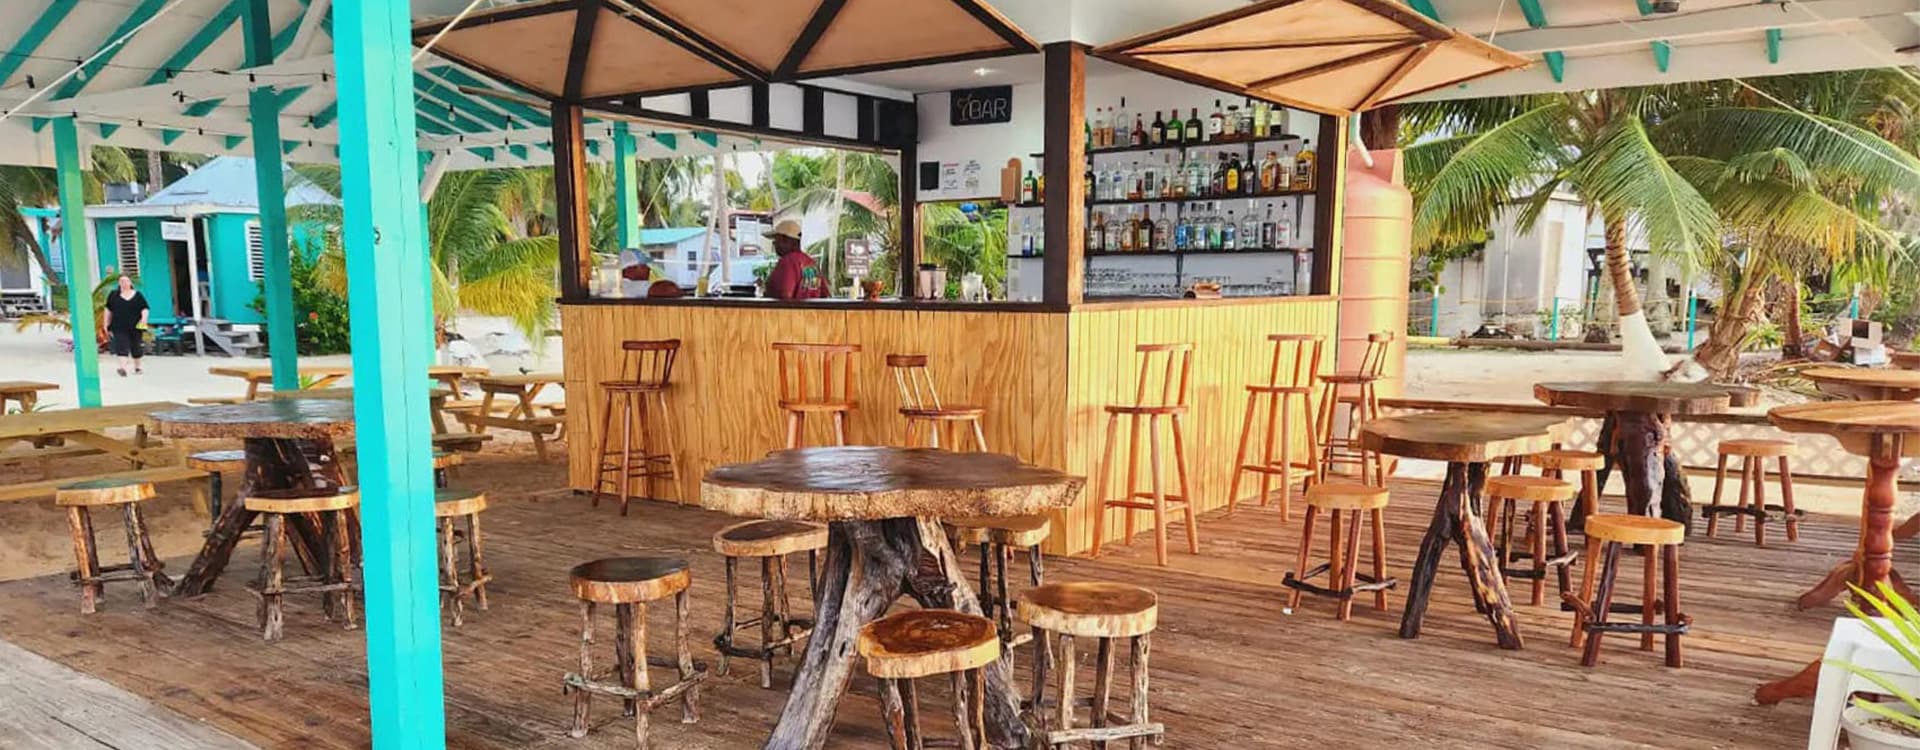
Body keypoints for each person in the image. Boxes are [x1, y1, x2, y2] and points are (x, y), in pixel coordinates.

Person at [764, 219, 826, 300]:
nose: (775, 245)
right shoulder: (811, 263)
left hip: (789, 312)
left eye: (776, 241)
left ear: (784, 239)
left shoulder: (788, 261)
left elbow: (785, 295)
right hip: (810, 312)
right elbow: (824, 294)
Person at [102, 274, 149, 376]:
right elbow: (108, 310)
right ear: (119, 283)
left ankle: (137, 367)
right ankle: (122, 368)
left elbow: (144, 309)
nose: (124, 283)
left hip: (136, 326)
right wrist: (105, 323)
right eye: (121, 281)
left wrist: (144, 319)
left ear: (130, 283)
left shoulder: (138, 295)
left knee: (136, 346)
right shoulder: (113, 295)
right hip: (118, 326)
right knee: (121, 345)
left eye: (126, 281)